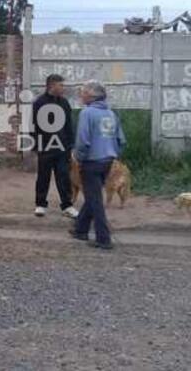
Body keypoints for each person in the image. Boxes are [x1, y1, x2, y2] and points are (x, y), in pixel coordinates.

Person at [70, 80, 126, 250]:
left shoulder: (87, 113)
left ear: (91, 95)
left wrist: (78, 158)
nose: (81, 95)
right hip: (107, 160)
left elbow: (83, 140)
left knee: (94, 200)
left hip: (91, 161)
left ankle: (104, 238)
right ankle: (80, 229)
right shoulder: (110, 113)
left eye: (83, 92)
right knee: (92, 195)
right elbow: (121, 140)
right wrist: (113, 154)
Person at [31, 74, 79, 219]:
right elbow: (33, 125)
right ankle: (40, 204)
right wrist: (35, 144)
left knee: (64, 176)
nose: (63, 88)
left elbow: (69, 125)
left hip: (62, 147)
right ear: (52, 85)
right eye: (61, 85)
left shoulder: (64, 103)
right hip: (45, 146)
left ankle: (67, 205)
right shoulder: (39, 103)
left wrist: (71, 144)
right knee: (43, 176)